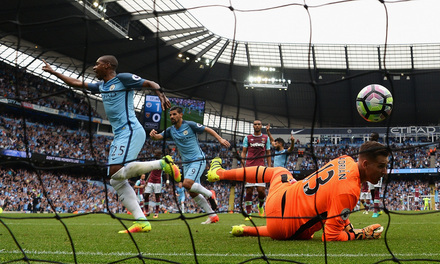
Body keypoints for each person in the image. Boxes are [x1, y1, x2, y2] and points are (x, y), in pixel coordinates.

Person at [42, 55, 181, 233]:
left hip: (130, 130)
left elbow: (150, 83)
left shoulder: (122, 79)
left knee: (117, 172)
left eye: (97, 64)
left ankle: (162, 164)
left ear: (107, 65)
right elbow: (76, 83)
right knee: (116, 180)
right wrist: (54, 73)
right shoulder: (101, 86)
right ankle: (141, 221)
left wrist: (160, 95)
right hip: (120, 135)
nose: (94, 67)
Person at [206, 141, 388, 241]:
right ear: (365, 164)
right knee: (305, 230)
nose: (384, 172)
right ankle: (246, 229)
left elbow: (334, 201)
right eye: (381, 166)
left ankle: (220, 173)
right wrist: (361, 233)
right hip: (283, 229)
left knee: (280, 171)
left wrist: (347, 225)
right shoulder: (349, 191)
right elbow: (330, 237)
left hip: (279, 197)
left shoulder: (345, 159)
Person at [150, 106, 230, 224]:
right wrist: (153, 135)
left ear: (181, 115)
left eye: (174, 114)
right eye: (170, 115)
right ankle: (212, 216)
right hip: (186, 163)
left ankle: (210, 194)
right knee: (192, 192)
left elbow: (207, 129)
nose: (172, 116)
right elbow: (158, 137)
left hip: (198, 159)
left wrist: (220, 139)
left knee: (186, 183)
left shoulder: (190, 125)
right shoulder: (170, 130)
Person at [241, 120, 271, 219]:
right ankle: (248, 213)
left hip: (261, 168)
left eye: (259, 124)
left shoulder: (265, 138)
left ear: (261, 126)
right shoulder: (247, 138)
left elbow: (268, 153)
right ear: (253, 126)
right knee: (249, 191)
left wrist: (269, 167)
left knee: (261, 191)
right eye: (255, 124)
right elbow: (244, 152)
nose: (257, 125)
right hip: (249, 167)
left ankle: (260, 206)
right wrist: (242, 164)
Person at [144, 149, 170, 218]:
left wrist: (167, 181)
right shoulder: (153, 161)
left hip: (158, 181)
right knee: (146, 195)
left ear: (158, 154)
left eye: (155, 153)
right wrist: (146, 181)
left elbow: (166, 172)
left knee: (157, 196)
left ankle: (156, 213)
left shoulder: (163, 162)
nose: (154, 154)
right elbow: (151, 172)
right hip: (150, 180)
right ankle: (147, 211)